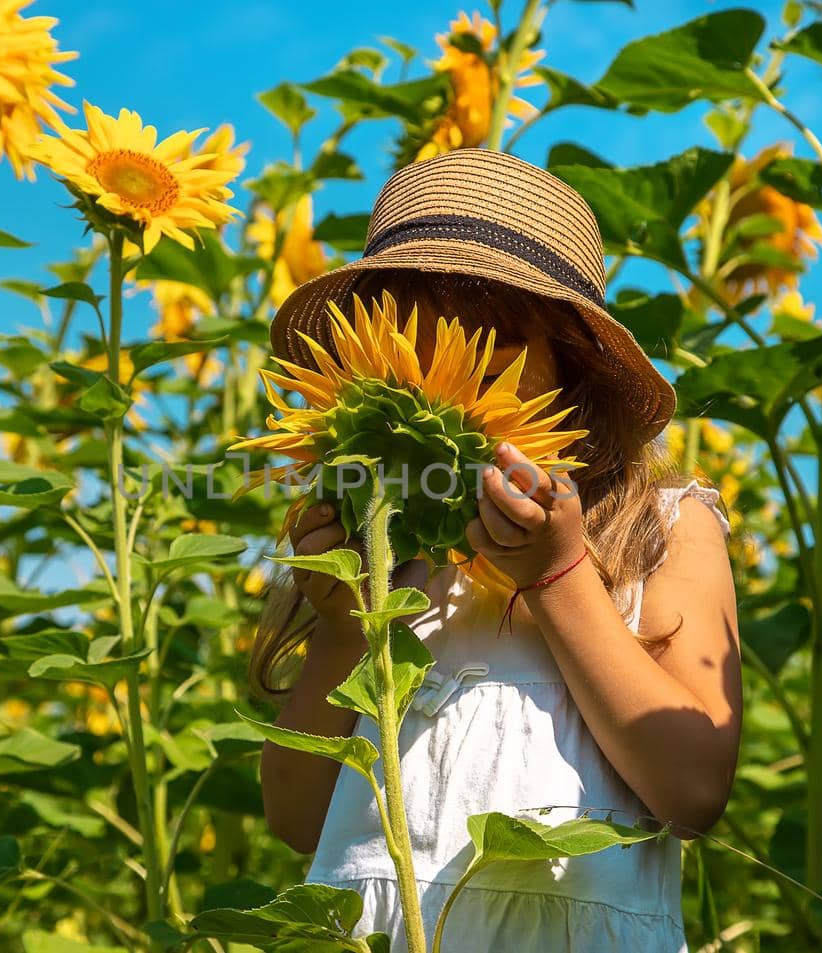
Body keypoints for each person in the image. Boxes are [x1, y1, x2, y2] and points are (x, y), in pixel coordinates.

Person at [249, 148, 742, 952]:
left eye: (494, 345)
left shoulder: (658, 529)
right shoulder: (379, 552)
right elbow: (296, 819)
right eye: (413, 337)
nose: (446, 376)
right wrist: (344, 628)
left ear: (571, 375)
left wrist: (559, 574)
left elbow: (692, 789)